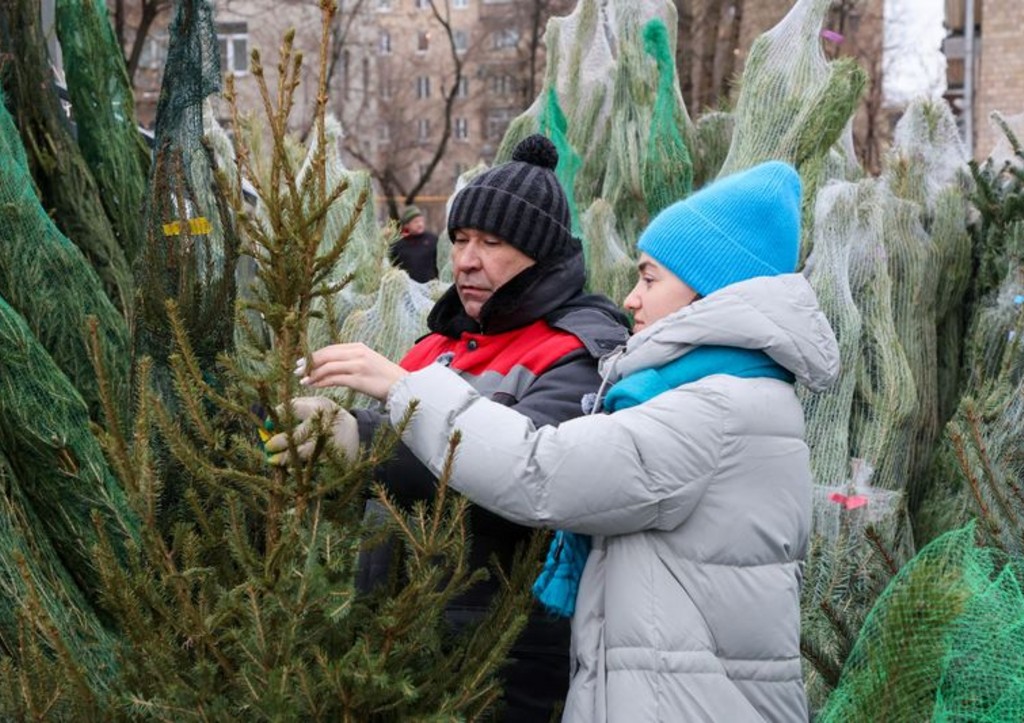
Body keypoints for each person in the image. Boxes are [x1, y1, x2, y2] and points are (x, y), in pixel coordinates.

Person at [290, 160, 841, 721]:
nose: (630, 299)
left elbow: (541, 472)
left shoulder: (712, 408)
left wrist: (393, 404)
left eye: (649, 278)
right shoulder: (706, 394)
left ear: (710, 291)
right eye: (459, 239)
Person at [269, 134, 630, 722]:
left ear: (540, 254)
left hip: (502, 660)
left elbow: (522, 475)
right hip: (393, 640)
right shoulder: (437, 344)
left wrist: (360, 442)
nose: (465, 259)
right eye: (461, 239)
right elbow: (394, 457)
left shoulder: (580, 351)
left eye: (492, 242)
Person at [389, 204, 438, 282]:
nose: (420, 224)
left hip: (430, 288)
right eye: (416, 222)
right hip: (407, 288)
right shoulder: (397, 244)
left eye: (421, 221)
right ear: (406, 225)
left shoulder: (433, 240)